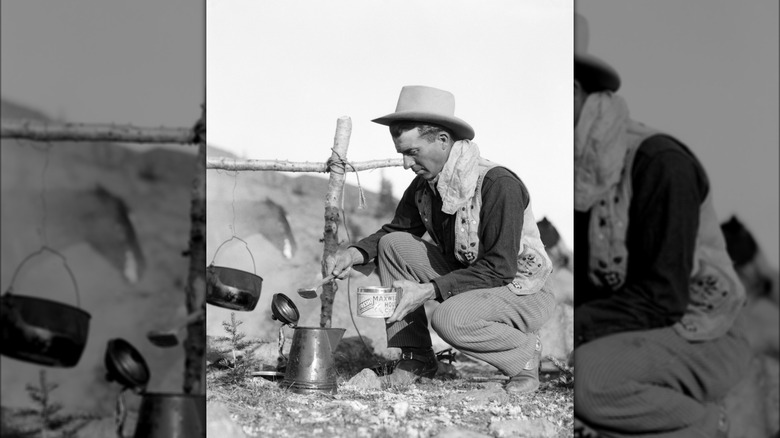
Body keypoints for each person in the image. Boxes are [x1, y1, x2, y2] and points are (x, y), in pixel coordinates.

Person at [572, 13, 751, 438]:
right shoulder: (575, 169)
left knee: (588, 379)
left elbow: (663, 298)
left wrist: (566, 330)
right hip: (624, 328)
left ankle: (707, 426)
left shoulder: (660, 163)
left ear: (572, 91)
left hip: (698, 331)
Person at [326, 85, 556, 392]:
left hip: (520, 293)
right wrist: (352, 254)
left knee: (448, 319)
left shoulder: (498, 184)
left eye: (412, 152)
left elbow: (500, 268)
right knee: (391, 246)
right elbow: (395, 232)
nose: (406, 164)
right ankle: (415, 358)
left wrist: (428, 291)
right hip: (474, 283)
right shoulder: (424, 186)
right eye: (402, 155)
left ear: (443, 141)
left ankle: (525, 357)